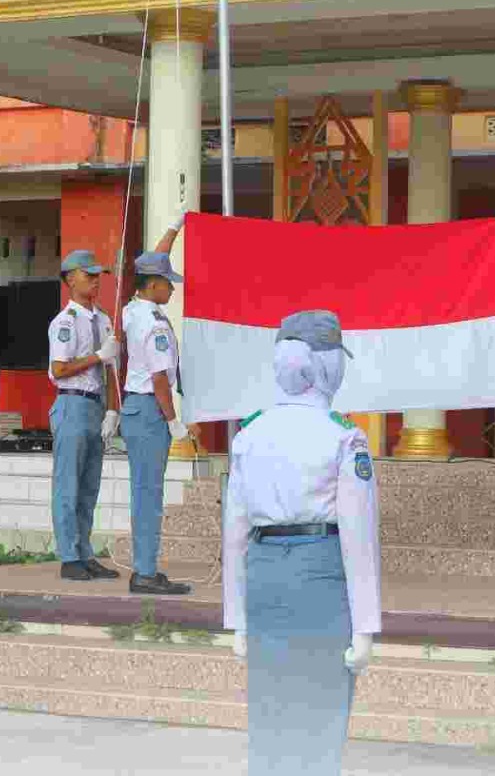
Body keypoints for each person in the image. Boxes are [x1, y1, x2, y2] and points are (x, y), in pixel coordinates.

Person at [223, 310, 381, 776]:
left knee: (270, 717)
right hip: (320, 576)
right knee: (321, 715)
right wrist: (366, 626)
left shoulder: (249, 433)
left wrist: (237, 620)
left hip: (265, 574)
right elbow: (358, 536)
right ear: (329, 365)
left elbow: (234, 534)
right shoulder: (344, 435)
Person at [121, 207, 195, 595]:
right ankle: (145, 572)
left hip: (140, 410)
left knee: (145, 491)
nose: (173, 288)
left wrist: (173, 229)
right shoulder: (153, 325)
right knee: (149, 494)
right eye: (168, 283)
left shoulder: (134, 309)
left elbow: (154, 259)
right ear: (152, 286)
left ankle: (145, 567)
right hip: (151, 410)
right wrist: (173, 421)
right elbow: (161, 380)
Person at [48, 249, 122, 581]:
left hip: (94, 405)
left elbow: (110, 370)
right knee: (68, 484)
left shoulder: (103, 319)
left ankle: (85, 551)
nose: (95, 280)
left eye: (97, 275)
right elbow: (60, 369)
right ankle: (69, 556)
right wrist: (96, 356)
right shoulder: (64, 323)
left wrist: (111, 409)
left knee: (89, 486)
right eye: (88, 274)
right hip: (72, 403)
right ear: (69, 279)